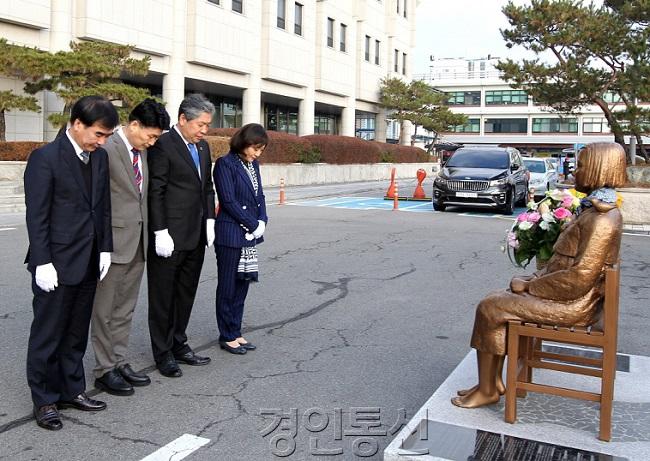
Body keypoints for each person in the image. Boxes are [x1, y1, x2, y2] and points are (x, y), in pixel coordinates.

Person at [452, 142, 627, 409]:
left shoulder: (601, 218)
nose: (574, 171)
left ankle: (488, 388)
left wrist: (531, 288)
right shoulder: (593, 211)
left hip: (575, 304)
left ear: (597, 169)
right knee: (497, 300)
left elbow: (579, 277)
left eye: (580, 165)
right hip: (570, 296)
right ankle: (492, 383)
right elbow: (565, 266)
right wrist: (532, 280)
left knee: (490, 307)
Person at [24, 96, 118, 430]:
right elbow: (36, 216)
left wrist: (106, 247)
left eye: (106, 136)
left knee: (76, 332)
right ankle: (45, 399)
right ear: (77, 124)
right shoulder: (45, 158)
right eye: (98, 134)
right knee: (48, 333)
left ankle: (71, 390)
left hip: (90, 258)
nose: (102, 141)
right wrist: (42, 261)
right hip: (56, 262)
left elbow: (103, 207)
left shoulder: (100, 158)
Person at [90, 99, 170, 396]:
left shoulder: (142, 153)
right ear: (133, 124)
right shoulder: (107, 149)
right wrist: (101, 245)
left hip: (138, 243)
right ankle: (103, 369)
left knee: (125, 308)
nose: (152, 142)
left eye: (156, 138)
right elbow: (98, 199)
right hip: (112, 244)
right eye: (150, 135)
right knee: (105, 310)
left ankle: (119, 360)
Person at [147, 93, 216, 377]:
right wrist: (160, 231)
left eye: (207, 126)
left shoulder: (203, 148)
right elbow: (156, 190)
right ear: (183, 119)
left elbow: (207, 186)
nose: (204, 131)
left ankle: (179, 343)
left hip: (196, 233)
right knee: (163, 296)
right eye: (200, 125)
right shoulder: (163, 145)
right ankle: (162, 352)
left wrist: (210, 219)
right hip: (169, 237)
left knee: (186, 292)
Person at [212, 123, 269, 354]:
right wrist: (253, 223)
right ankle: (226, 335)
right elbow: (228, 201)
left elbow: (260, 196)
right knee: (228, 285)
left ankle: (236, 330)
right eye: (255, 148)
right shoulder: (226, 164)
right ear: (244, 142)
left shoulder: (253, 165)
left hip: (249, 235)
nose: (257, 153)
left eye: (261, 149)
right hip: (230, 233)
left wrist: (263, 220)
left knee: (242, 284)